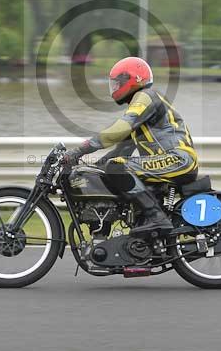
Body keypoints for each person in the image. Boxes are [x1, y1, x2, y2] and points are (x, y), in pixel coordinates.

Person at [64, 56, 198, 236]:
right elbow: (122, 149)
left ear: (135, 79)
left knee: (117, 167)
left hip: (177, 159)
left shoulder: (145, 97)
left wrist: (80, 149)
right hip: (169, 160)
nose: (115, 87)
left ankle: (156, 218)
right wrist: (95, 168)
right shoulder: (141, 107)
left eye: (119, 82)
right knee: (113, 166)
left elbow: (120, 129)